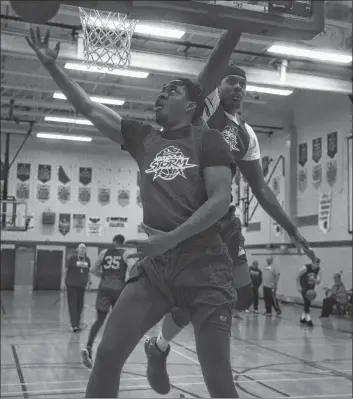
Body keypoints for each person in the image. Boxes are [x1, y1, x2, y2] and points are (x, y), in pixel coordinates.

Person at [26, 28, 241, 398]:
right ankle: (154, 353)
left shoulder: (208, 140)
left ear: (191, 106)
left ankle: (157, 352)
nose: (160, 95)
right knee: (108, 355)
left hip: (205, 262)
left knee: (218, 377)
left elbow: (219, 200)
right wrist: (53, 66)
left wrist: (170, 239)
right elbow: (89, 108)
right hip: (157, 266)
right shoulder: (145, 137)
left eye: (170, 91)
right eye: (160, 91)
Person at [143, 29, 316, 395]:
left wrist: (292, 230)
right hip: (192, 216)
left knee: (245, 297)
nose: (236, 87)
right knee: (203, 297)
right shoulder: (202, 111)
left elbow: (262, 188)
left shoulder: (247, 133)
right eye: (230, 81)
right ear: (217, 87)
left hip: (224, 220)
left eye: (242, 83)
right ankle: (160, 346)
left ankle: (160, 343)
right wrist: (237, 22)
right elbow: (218, 56)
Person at [81, 234, 134, 369]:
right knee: (118, 322)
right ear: (123, 243)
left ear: (113, 242)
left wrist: (103, 276)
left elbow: (93, 269)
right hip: (118, 290)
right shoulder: (126, 253)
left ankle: (88, 347)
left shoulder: (104, 252)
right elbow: (134, 270)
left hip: (104, 288)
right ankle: (114, 353)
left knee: (99, 321)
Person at [65, 243, 91, 332]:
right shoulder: (72, 258)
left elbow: (88, 272)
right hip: (71, 284)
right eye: (81, 248)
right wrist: (62, 282)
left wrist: (89, 282)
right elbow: (66, 270)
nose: (83, 249)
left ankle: (77, 323)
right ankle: (74, 325)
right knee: (73, 305)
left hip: (82, 285)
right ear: (77, 249)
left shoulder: (87, 260)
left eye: (84, 248)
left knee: (80, 305)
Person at [297, 258, 322, 326]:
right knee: (307, 302)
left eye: (317, 264)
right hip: (304, 287)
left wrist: (314, 279)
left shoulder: (318, 270)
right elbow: (297, 276)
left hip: (311, 289)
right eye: (315, 264)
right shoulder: (305, 268)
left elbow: (318, 282)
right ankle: (308, 319)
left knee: (307, 303)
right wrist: (298, 286)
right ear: (312, 263)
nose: (316, 265)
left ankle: (302, 318)